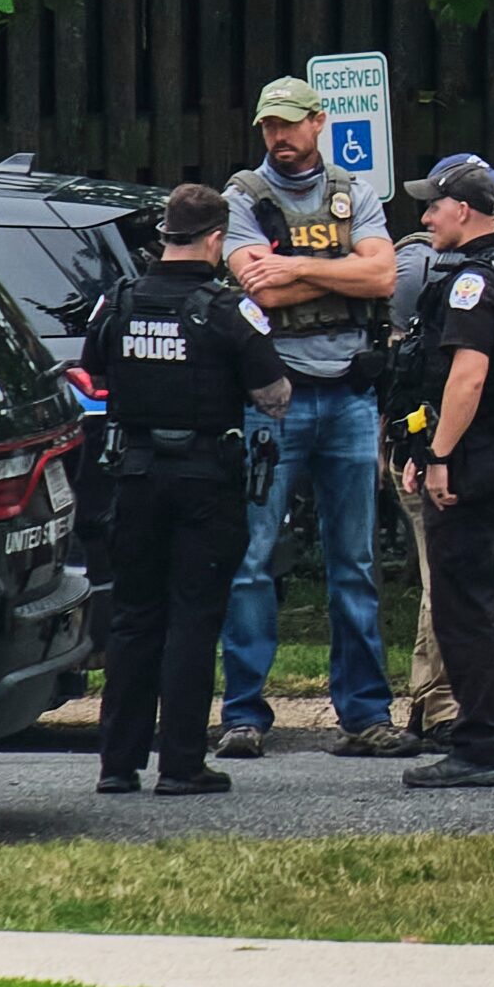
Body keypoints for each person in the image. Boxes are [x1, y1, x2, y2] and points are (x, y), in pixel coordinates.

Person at [216, 78, 410, 761]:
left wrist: (296, 265)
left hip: (351, 397)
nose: (279, 138)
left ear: (319, 122)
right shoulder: (242, 195)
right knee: (253, 557)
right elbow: (253, 283)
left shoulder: (352, 190)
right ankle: (243, 712)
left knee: (354, 559)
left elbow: (384, 277)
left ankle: (364, 711)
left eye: (291, 124)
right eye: (269, 125)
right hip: (274, 397)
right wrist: (339, 265)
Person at [83, 185, 292, 796]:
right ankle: (180, 764)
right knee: (194, 619)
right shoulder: (227, 310)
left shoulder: (117, 301)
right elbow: (274, 398)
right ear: (217, 240)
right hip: (204, 479)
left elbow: (93, 372)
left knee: (133, 617)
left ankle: (117, 766)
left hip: (135, 475)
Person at [392, 155, 494, 788]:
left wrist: (436, 455)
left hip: (470, 453)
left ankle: (479, 745)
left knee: (463, 606)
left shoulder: (471, 283)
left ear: (462, 209)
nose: (426, 216)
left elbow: (470, 375)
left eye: (434, 205)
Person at [384, 155, 494, 754]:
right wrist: (427, 451)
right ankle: (442, 708)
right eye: (493, 195)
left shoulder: (486, 271)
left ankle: (445, 708)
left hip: (464, 445)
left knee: (460, 586)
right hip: (439, 443)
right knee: (452, 585)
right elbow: (438, 373)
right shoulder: (430, 268)